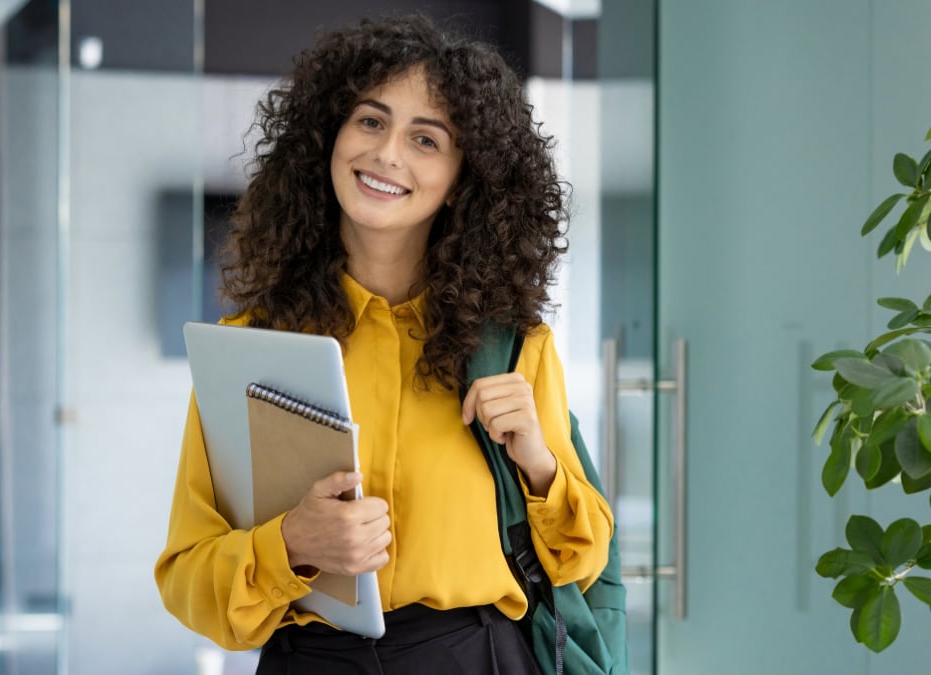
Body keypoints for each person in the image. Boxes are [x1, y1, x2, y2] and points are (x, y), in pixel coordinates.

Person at [155, 15, 613, 674]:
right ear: (328, 138)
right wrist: (291, 543)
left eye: (426, 139)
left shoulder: (517, 349)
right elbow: (188, 580)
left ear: (463, 177)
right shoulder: (250, 349)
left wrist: (539, 464)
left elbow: (582, 561)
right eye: (370, 121)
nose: (388, 153)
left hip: (480, 658)